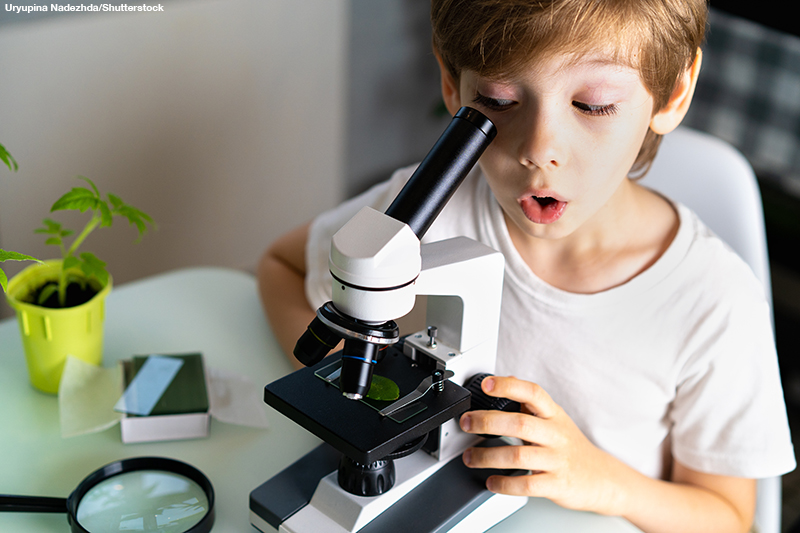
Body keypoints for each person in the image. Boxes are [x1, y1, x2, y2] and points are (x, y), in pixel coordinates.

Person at [258, 1, 795, 531]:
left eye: (593, 105)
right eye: (498, 100)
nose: (539, 149)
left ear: (674, 91)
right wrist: (343, 395)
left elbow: (727, 517)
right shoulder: (427, 208)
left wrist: (597, 478)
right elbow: (280, 264)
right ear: (453, 85)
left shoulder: (715, 303)